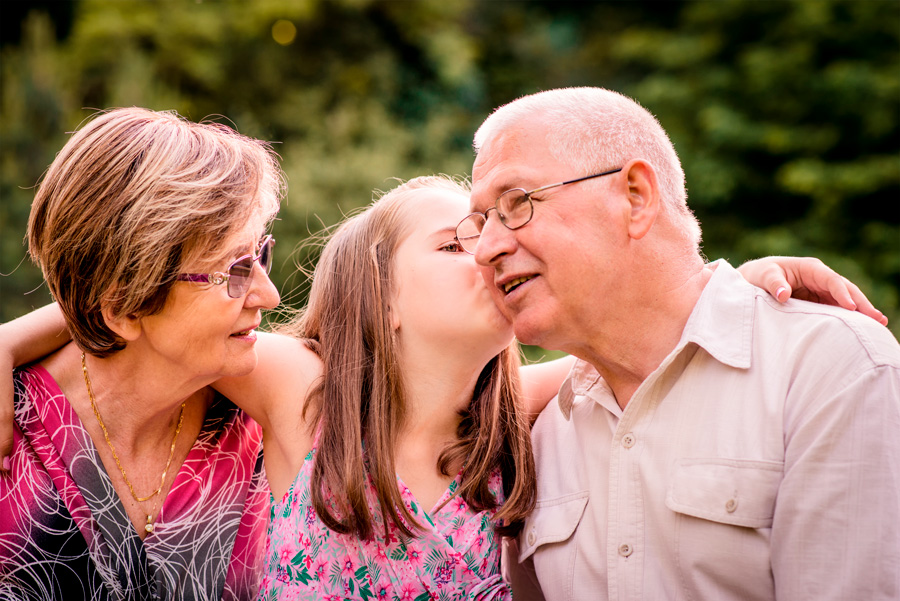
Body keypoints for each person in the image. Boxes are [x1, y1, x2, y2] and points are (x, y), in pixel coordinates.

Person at [0, 109, 885, 600]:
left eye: (503, 222)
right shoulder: (299, 393)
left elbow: (639, 353)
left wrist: (717, 288)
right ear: (378, 301)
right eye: (459, 242)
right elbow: (150, 307)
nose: (494, 249)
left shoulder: (522, 432)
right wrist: (12, 338)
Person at [456, 87, 900, 600]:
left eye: (517, 203)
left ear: (636, 197)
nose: (487, 249)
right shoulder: (540, 436)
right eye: (480, 222)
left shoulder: (832, 370)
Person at [0, 107, 284, 600]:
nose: (268, 295)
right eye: (235, 270)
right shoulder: (15, 440)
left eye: (261, 254)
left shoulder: (270, 409)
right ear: (126, 306)